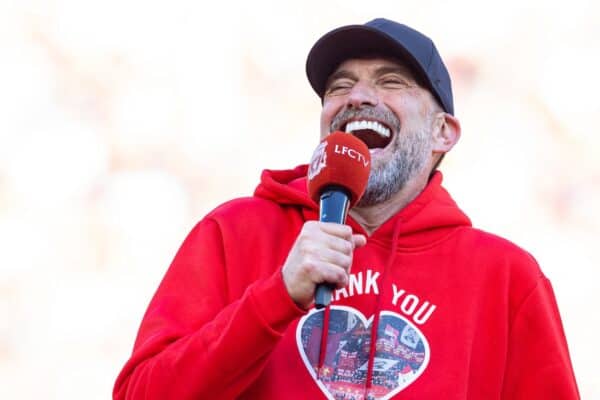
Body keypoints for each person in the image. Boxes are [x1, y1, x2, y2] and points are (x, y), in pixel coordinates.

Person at [113, 18, 580, 399]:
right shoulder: (236, 232)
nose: (357, 96)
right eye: (339, 86)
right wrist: (277, 298)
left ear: (443, 132)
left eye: (391, 81)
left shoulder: (505, 278)